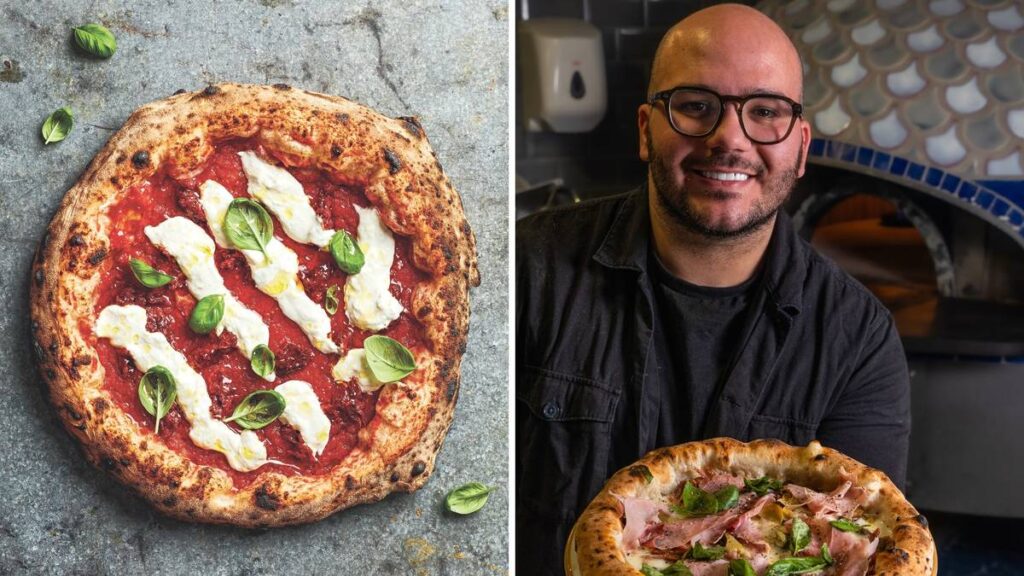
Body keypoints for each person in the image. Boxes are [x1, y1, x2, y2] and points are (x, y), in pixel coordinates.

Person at [515, 3, 910, 572]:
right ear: (645, 130)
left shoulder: (857, 338)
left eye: (765, 111)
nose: (729, 138)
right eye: (696, 106)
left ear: (801, 148)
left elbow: (872, 545)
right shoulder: (530, 269)